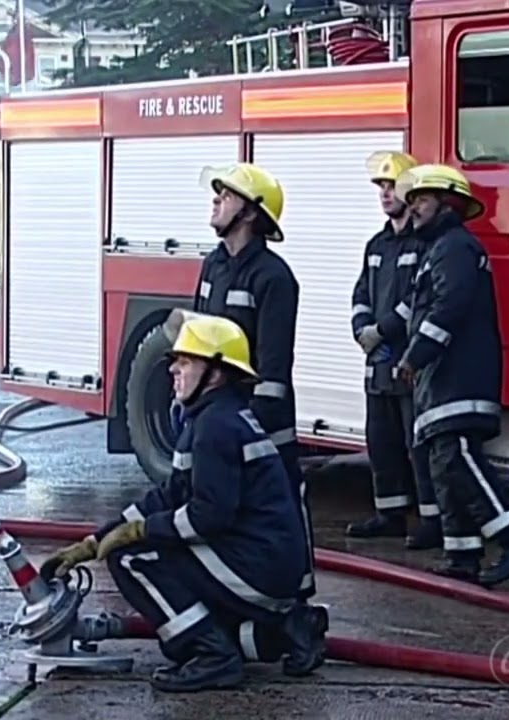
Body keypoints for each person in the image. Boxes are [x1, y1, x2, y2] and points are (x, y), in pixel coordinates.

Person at [39, 314, 328, 692]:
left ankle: (214, 658)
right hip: (263, 566)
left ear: (216, 372)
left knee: (133, 557)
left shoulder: (215, 428)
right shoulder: (214, 418)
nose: (173, 368)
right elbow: (170, 495)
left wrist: (139, 532)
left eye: (186, 361)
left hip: (257, 569)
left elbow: (208, 517)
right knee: (178, 624)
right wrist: (95, 541)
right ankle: (286, 632)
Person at [393, 164, 509, 588]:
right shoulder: (439, 249)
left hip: (458, 379)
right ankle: (462, 556)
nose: (413, 208)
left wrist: (414, 357)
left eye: (421, 199)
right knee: (444, 464)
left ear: (449, 203)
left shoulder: (455, 247)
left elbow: (449, 306)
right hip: (441, 383)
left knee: (458, 459)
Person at [190, 162, 316, 602]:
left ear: (249, 212)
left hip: (264, 423)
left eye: (226, 194)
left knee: (282, 507)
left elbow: (274, 367)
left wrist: (257, 426)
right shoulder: (212, 266)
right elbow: (197, 338)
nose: (216, 198)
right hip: (215, 416)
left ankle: (298, 603)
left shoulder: (275, 278)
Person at [345, 150, 442, 551]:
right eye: (381, 187)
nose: (385, 194)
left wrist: (380, 332)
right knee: (380, 441)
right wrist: (360, 329)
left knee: (416, 443)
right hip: (378, 363)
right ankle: (389, 514)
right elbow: (361, 293)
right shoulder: (376, 245)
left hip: (408, 362)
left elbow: (416, 300)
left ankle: (431, 520)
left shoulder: (422, 245)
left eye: (392, 186)